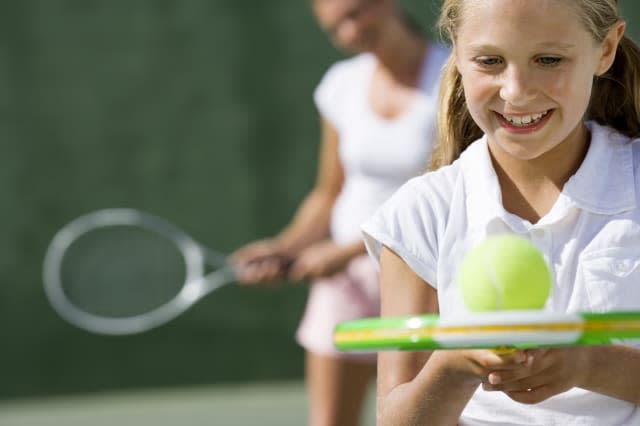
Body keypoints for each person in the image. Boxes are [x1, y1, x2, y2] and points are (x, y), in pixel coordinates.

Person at [361, 0, 640, 424]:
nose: (516, 90)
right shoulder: (420, 213)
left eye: (549, 59)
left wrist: (590, 363)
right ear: (456, 49)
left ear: (606, 49)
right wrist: (454, 365)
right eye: (490, 60)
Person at [231, 0, 448, 424]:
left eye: (355, 15)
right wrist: (283, 246)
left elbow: (449, 198)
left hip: (421, 280)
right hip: (345, 285)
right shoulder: (340, 85)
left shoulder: (451, 79)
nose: (348, 34)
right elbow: (328, 193)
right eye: (335, 29)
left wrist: (346, 251)